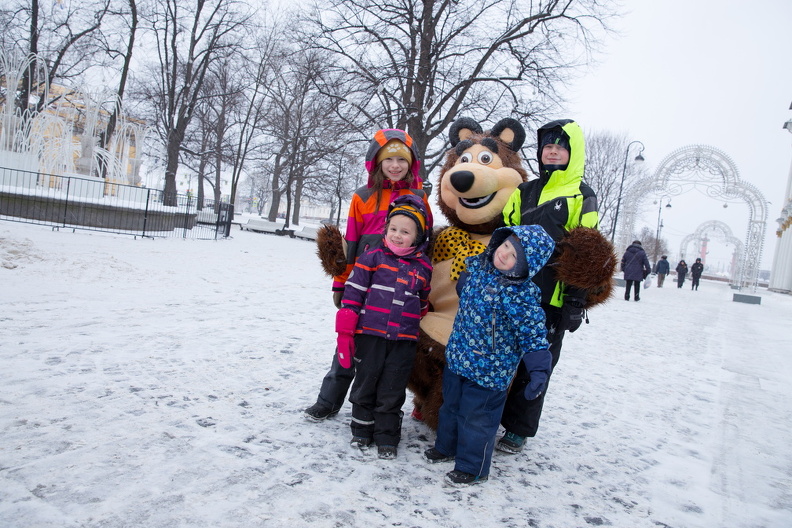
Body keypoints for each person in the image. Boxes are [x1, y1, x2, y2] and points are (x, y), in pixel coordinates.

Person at [304, 129, 433, 422]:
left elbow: (425, 245)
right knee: (348, 343)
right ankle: (329, 400)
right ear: (376, 161)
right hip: (366, 285)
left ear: (411, 163)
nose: (396, 165)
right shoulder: (362, 197)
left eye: (403, 159)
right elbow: (350, 241)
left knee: (390, 354)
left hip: (401, 289)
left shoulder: (419, 196)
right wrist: (341, 282)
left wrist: (424, 288)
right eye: (389, 159)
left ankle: (383, 408)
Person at [424, 225, 555, 486]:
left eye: (515, 256)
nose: (505, 254)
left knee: (478, 420)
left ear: (527, 267)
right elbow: (464, 293)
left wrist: (539, 370)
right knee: (450, 407)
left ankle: (473, 468)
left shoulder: (521, 297)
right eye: (506, 245)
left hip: (489, 374)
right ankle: (446, 446)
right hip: (459, 359)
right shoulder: (477, 270)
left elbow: (534, 335)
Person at [498, 119, 599, 454]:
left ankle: (518, 429)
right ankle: (488, 416)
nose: (552, 151)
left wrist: (575, 301)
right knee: (500, 358)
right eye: (547, 147)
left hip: (550, 298)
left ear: (573, 153)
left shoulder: (582, 196)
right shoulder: (524, 192)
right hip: (513, 292)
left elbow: (587, 252)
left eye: (560, 147)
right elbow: (503, 237)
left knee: (535, 366)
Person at [336, 195, 433, 459]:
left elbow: (423, 299)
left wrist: (417, 314)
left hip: (403, 340)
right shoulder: (372, 257)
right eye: (393, 229)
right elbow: (353, 294)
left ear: (418, 236)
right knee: (366, 382)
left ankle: (387, 436)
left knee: (392, 387)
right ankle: (361, 429)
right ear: (385, 230)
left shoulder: (423, 266)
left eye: (405, 231)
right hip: (371, 335)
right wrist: (345, 329)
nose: (398, 235)